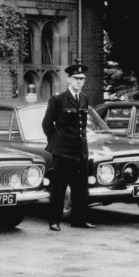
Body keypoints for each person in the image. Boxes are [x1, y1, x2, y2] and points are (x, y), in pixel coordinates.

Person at [42, 62, 95, 231]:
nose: (79, 82)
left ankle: (79, 219)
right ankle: (54, 221)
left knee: (81, 188)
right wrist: (57, 142)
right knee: (59, 188)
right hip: (63, 151)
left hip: (79, 150)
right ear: (69, 80)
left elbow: (82, 126)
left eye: (82, 79)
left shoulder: (84, 99)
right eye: (76, 79)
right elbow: (47, 124)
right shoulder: (58, 99)